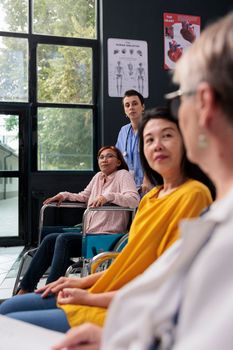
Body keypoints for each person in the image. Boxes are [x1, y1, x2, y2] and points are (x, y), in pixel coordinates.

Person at [52, 12, 233, 350]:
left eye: (180, 100)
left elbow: (167, 304)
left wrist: (104, 321)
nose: (156, 145)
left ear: (204, 103)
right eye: (148, 140)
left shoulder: (200, 206)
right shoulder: (211, 215)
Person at [0, 107, 213, 334]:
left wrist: (88, 297)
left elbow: (166, 279)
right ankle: (31, 287)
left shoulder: (192, 195)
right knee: (10, 306)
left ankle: (49, 284)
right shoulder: (150, 197)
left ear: (185, 141)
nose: (157, 145)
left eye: (167, 135)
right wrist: (80, 282)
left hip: (124, 303)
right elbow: (128, 262)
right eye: (149, 139)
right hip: (105, 284)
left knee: (11, 323)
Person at [16, 146, 140, 294]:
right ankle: (25, 288)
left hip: (107, 235)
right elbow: (84, 196)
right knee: (49, 239)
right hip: (89, 233)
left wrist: (108, 196)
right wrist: (63, 195)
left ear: (118, 162)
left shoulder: (123, 175)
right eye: (101, 157)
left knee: (63, 239)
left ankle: (51, 291)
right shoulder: (98, 177)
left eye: (109, 156)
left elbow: (134, 200)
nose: (104, 160)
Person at [116, 89, 151, 194]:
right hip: (128, 187)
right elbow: (118, 158)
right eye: (127, 105)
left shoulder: (150, 128)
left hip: (149, 184)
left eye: (135, 104)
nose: (131, 107)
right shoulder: (123, 131)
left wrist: (147, 179)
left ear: (143, 107)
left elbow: (154, 157)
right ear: (125, 110)